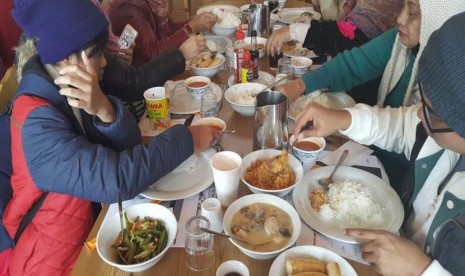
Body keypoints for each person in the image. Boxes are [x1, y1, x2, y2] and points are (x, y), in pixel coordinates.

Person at [7, 0, 219, 274]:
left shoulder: (74, 80)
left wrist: (105, 110)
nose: (106, 61)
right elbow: (117, 178)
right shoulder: (36, 123)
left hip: (96, 226)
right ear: (69, 59)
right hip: (57, 258)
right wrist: (187, 139)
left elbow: (129, 146)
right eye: (99, 53)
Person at [293, 12, 465, 275]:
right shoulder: (438, 134)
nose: (419, 114)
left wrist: (422, 270)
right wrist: (341, 118)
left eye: (432, 112)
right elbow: (400, 126)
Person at [277, 0, 465, 191]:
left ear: (438, 20)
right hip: (375, 154)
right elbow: (354, 64)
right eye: (403, 7)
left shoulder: (449, 87)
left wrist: (345, 126)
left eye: (413, 13)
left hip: (396, 178)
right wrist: (302, 86)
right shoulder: (399, 42)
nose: (399, 19)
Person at [91, 0, 207, 120]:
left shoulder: (155, 3)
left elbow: (168, 29)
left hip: (145, 84)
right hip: (142, 93)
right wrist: (182, 50)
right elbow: (150, 56)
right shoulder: (127, 6)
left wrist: (193, 22)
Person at [266, 0, 403, 58]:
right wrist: (311, 25)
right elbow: (344, 23)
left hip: (370, 80)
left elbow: (352, 35)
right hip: (355, 63)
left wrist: (295, 31)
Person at [109, 0, 218, 66]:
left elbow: (169, 29)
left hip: (158, 69)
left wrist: (195, 21)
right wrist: (192, 26)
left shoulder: (155, 3)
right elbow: (151, 54)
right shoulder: (130, 6)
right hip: (141, 82)